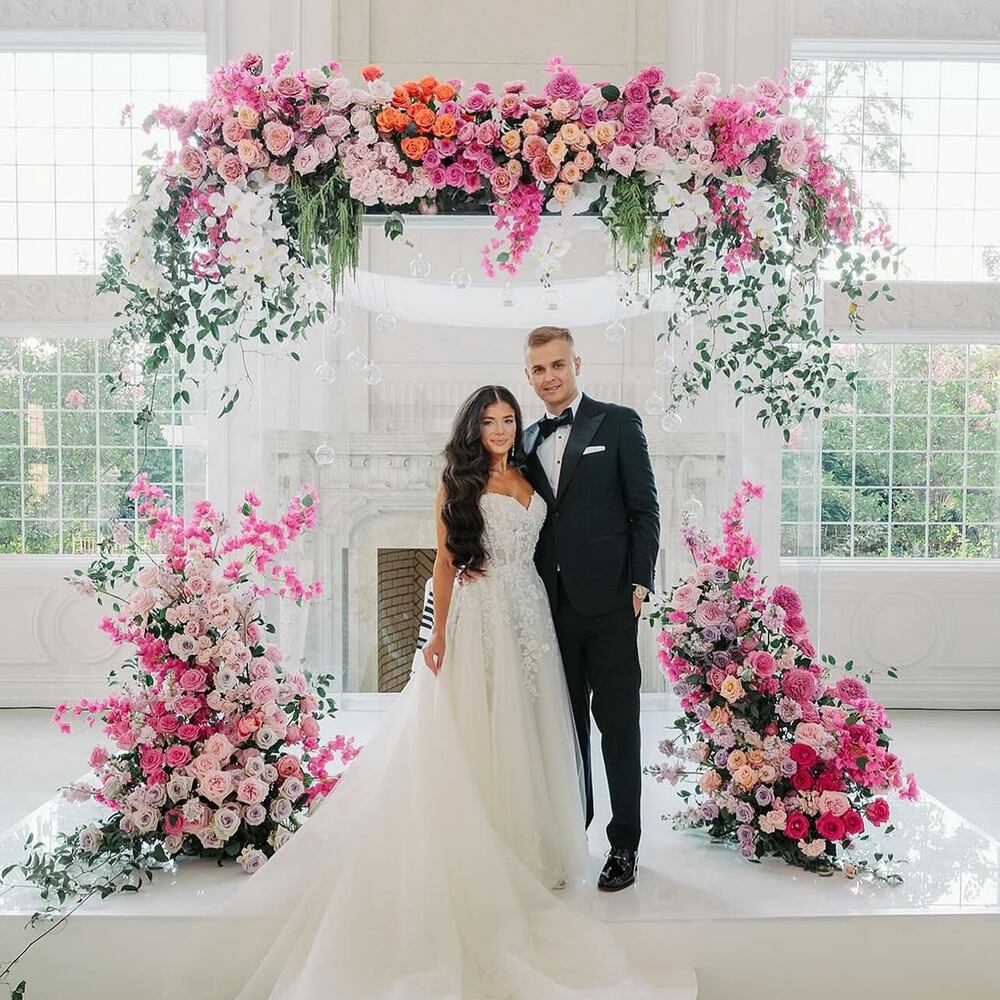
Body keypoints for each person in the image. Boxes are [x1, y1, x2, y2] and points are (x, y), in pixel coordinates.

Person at [180, 385, 690, 1000]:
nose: (501, 429)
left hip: (532, 612)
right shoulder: (459, 484)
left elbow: (580, 532)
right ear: (473, 426)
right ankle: (484, 847)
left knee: (529, 722)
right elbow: (446, 563)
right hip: (480, 614)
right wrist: (439, 632)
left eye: (508, 419)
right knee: (479, 722)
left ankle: (543, 843)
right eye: (490, 420)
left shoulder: (533, 469)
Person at [522, 326, 660, 892]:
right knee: (563, 726)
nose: (549, 376)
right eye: (538, 369)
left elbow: (644, 510)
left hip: (609, 605)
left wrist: (639, 586)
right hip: (548, 607)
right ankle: (569, 833)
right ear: (527, 376)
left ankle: (623, 842)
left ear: (576, 363)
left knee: (618, 728)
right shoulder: (525, 438)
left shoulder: (618, 422)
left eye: (558, 365)